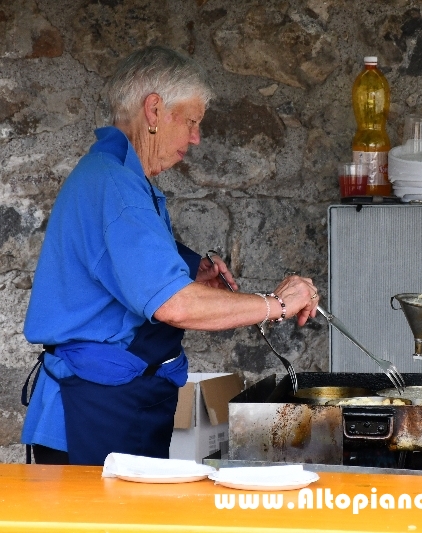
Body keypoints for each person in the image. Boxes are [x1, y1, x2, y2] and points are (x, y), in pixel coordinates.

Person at [20, 46, 319, 466]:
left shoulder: (122, 177)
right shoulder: (115, 187)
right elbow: (173, 305)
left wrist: (189, 267)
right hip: (94, 408)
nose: (196, 137)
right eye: (193, 121)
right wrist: (278, 305)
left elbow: (126, 266)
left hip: (125, 400)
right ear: (155, 110)